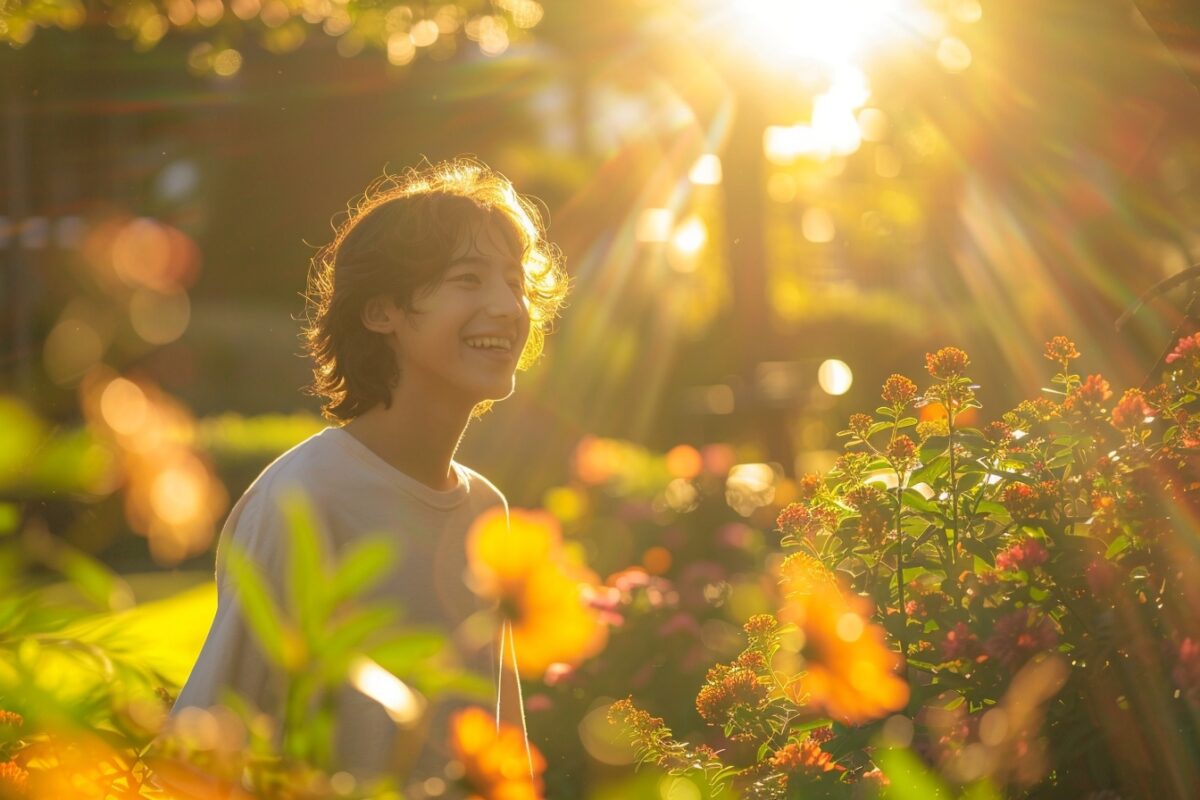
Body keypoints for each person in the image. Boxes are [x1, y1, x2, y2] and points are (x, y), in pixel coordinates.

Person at [171, 158, 568, 788]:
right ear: (381, 311)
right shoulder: (305, 497)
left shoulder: (485, 512)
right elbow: (206, 742)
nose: (506, 306)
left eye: (516, 283)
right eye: (468, 279)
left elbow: (500, 757)